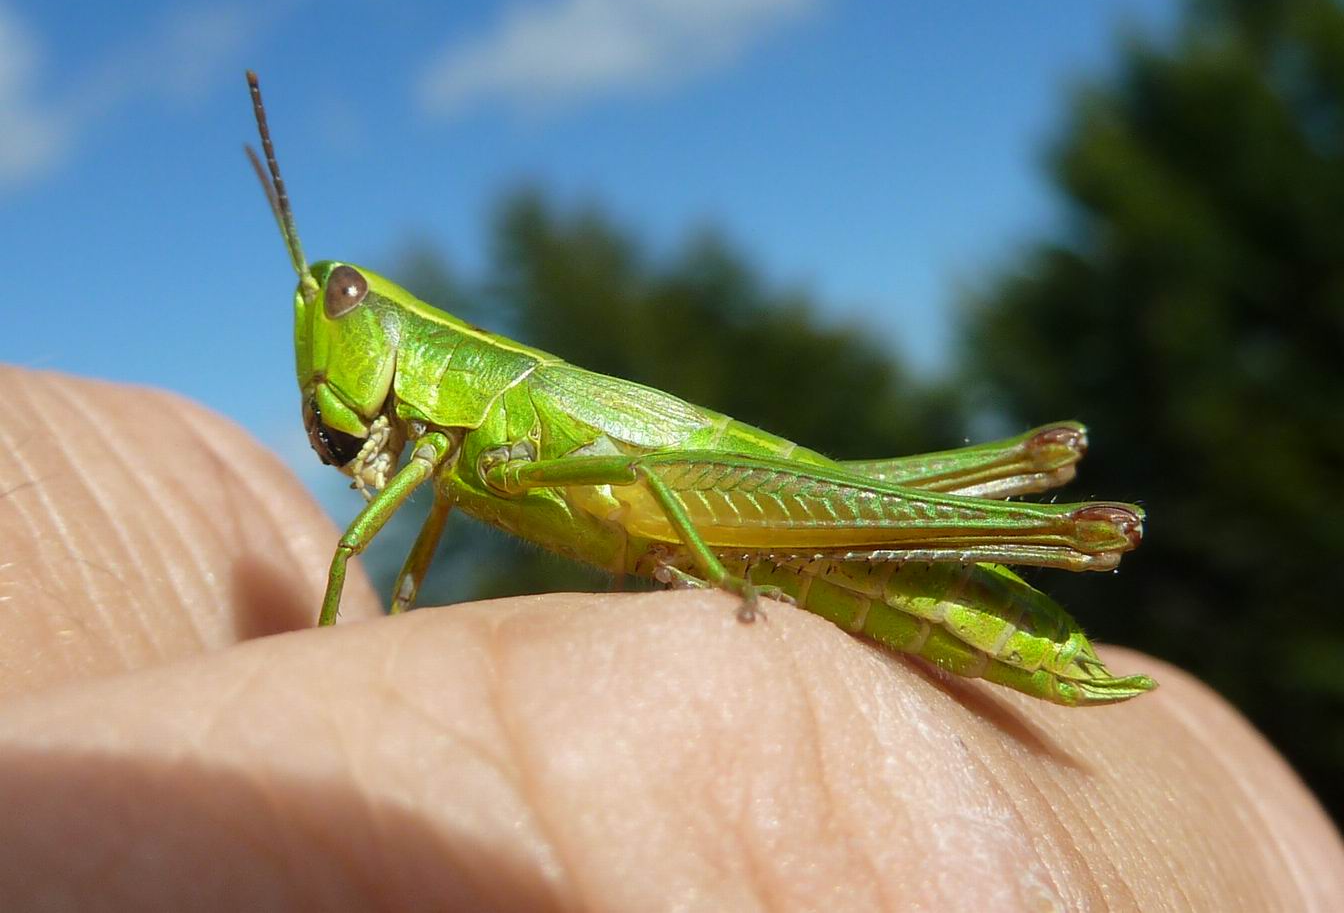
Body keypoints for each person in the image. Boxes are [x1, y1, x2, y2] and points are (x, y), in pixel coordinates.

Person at [0, 365, 1340, 910]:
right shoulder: (458, 456)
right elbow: (411, 516)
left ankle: (1048, 520)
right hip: (709, 529)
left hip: (757, 518)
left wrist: (358, 583)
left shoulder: (501, 406)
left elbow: (383, 534)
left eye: (340, 302)